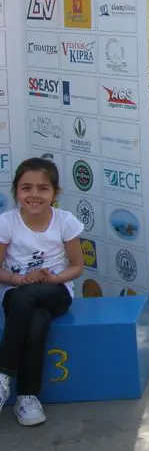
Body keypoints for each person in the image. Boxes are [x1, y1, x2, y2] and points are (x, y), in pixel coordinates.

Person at [0, 157, 86, 426]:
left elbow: (78, 266)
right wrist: (19, 279)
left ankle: (3, 374)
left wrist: (54, 278)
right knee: (35, 321)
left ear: (54, 193)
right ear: (16, 191)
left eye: (42, 188)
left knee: (34, 296)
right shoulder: (7, 223)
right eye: (26, 188)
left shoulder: (65, 221)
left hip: (56, 292)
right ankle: (27, 398)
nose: (34, 195)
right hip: (16, 293)